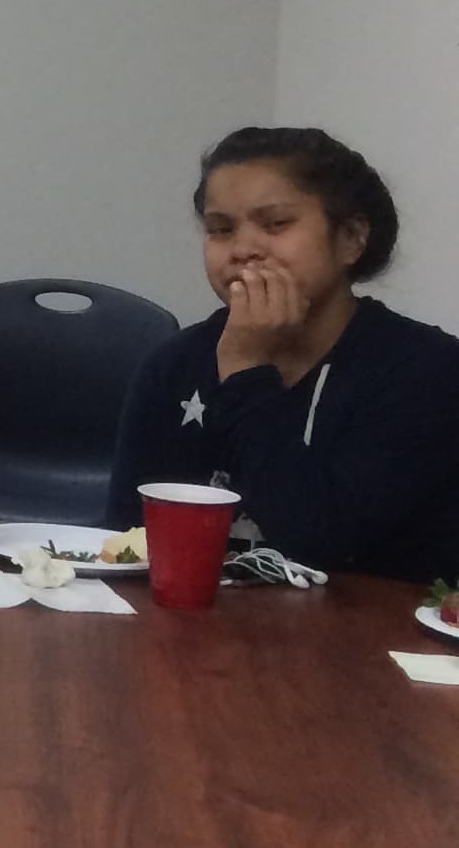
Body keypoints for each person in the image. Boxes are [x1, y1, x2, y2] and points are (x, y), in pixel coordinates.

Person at [108, 127, 459, 585]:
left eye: (275, 224)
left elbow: (318, 546)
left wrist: (247, 371)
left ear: (351, 238)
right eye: (220, 229)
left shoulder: (425, 371)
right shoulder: (173, 364)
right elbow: (123, 541)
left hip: (367, 637)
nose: (243, 249)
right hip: (193, 636)